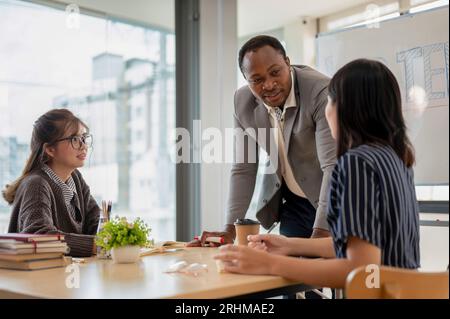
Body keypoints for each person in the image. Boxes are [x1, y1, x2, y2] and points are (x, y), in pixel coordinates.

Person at [214, 59, 421, 288]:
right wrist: (289, 245)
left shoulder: (355, 164)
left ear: (345, 108)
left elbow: (362, 272)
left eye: (330, 100)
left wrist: (269, 263)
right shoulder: (396, 158)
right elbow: (363, 247)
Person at [189, 35, 336, 247]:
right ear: (246, 80)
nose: (269, 85)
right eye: (257, 80)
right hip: (293, 203)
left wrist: (322, 233)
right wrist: (229, 231)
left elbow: (333, 167)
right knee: (291, 275)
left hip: (333, 203)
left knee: (330, 272)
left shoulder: (321, 92)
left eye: (275, 72)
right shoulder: (242, 102)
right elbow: (243, 168)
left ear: (287, 62)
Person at [4, 109, 100, 257]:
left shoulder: (75, 178)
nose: (83, 145)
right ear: (50, 149)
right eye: (74, 139)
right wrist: (100, 245)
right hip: (35, 277)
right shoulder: (36, 184)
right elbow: (39, 235)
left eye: (83, 137)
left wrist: (118, 237)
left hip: (66, 274)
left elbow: (95, 221)